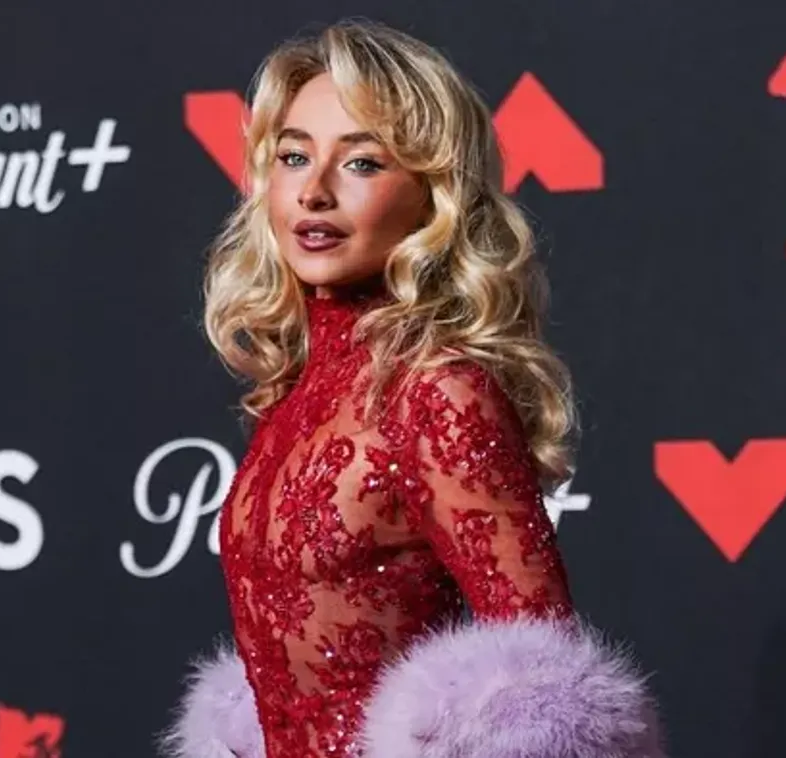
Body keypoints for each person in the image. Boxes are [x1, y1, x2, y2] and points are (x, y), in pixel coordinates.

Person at [162, 18, 664, 758]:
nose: (314, 192)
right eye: (294, 156)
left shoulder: (437, 392)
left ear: (433, 194)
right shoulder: (295, 394)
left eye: (361, 163)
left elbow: (542, 696)